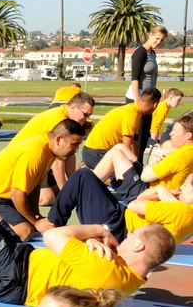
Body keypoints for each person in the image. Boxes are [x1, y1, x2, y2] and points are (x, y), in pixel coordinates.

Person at [0, 198, 175, 304]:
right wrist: (89, 242)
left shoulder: (108, 270)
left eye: (133, 236)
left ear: (139, 246)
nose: (126, 237)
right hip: (20, 260)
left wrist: (101, 230)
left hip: (10, 277)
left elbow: (52, 236)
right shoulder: (126, 275)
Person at [0, 119, 85, 240]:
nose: (76, 150)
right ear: (58, 140)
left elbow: (35, 186)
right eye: (74, 144)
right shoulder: (35, 152)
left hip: (4, 198)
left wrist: (36, 215)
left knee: (34, 226)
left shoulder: (49, 151)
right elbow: (17, 194)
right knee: (25, 231)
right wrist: (35, 222)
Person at [49, 168, 193, 244]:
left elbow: (133, 205)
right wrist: (157, 191)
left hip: (116, 226)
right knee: (90, 180)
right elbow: (140, 199)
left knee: (82, 175)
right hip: (121, 221)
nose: (182, 188)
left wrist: (161, 190)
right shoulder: (185, 212)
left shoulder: (181, 210)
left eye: (186, 186)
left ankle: (52, 223)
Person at [13, 92, 96, 205]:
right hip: (22, 162)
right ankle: (13, 193)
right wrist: (67, 194)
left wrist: (73, 184)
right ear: (73, 108)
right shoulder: (58, 120)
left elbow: (69, 154)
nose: (87, 119)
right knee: (47, 198)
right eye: (85, 115)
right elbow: (57, 161)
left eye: (89, 115)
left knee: (60, 187)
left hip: (42, 162)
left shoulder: (69, 119)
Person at [88, 115, 193, 203]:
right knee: (120, 147)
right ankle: (90, 182)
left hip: (147, 192)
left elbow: (145, 177)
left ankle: (86, 186)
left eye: (175, 131)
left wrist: (156, 156)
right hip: (152, 185)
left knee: (115, 154)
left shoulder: (179, 156)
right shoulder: (187, 151)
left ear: (188, 136)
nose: (170, 134)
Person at [82, 88, 161, 168]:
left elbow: (134, 143)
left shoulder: (135, 112)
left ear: (140, 97)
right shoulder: (132, 114)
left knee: (131, 172)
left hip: (98, 150)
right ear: (155, 105)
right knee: (121, 177)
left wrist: (137, 164)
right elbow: (126, 145)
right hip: (96, 152)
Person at [128, 25, 167, 158]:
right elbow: (134, 78)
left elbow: (153, 77)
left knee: (145, 135)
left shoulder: (152, 53)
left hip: (149, 98)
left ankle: (139, 165)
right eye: (156, 38)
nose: (158, 42)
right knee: (136, 136)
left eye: (161, 40)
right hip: (138, 97)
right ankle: (133, 167)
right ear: (150, 35)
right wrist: (137, 99)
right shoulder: (140, 52)